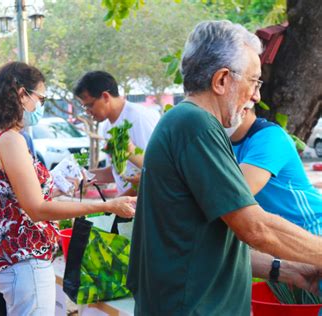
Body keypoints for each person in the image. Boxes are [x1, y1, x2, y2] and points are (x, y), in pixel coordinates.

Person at [127, 20, 322, 315]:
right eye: (254, 81)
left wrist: (283, 269)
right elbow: (254, 226)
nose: (256, 96)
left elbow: (203, 242)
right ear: (221, 80)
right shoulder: (196, 125)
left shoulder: (185, 122)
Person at [0, 62, 136, 315]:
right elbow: (37, 208)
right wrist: (107, 205)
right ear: (21, 94)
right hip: (23, 260)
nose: (40, 105)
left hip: (12, 260)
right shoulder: (10, 140)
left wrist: (56, 184)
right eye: (40, 98)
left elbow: (15, 196)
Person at [230, 107, 322, 233]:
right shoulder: (223, 142)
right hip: (280, 234)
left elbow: (232, 195)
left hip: (312, 227)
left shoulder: (270, 137)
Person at [73, 71, 160, 196]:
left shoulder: (139, 118)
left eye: (90, 105)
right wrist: (82, 176)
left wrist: (118, 201)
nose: (88, 111)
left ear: (106, 96)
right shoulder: (107, 126)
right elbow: (117, 172)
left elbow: (157, 169)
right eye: (85, 107)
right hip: (129, 206)